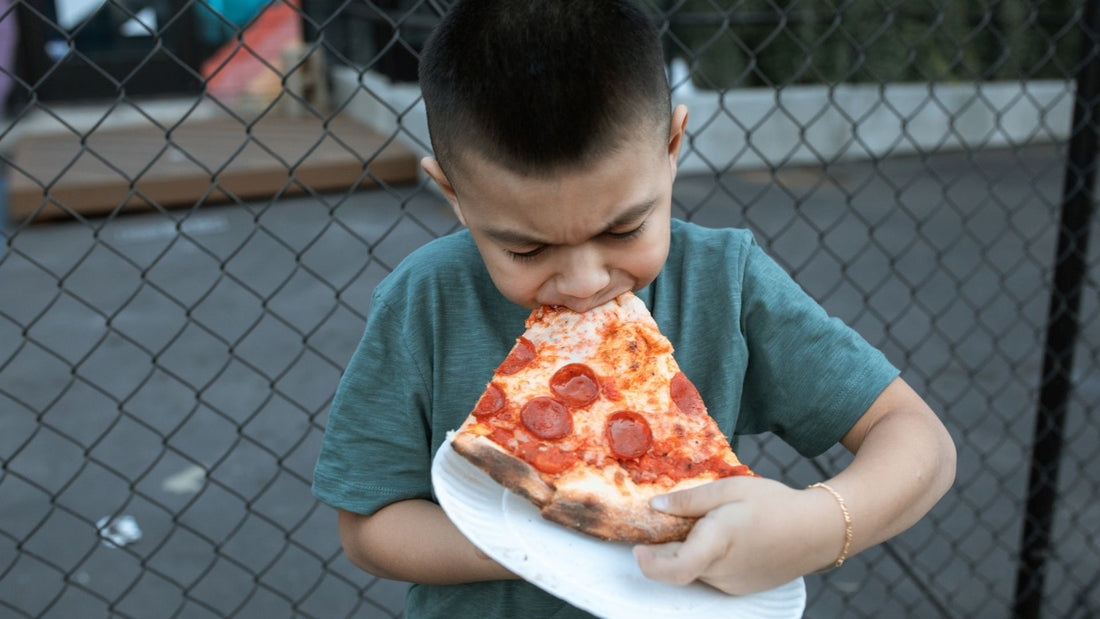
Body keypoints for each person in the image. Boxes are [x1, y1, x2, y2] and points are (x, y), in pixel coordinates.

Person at [311, 0, 957, 616]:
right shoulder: (424, 301)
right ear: (452, 192)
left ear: (673, 147)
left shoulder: (724, 284)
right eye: (527, 247)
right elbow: (369, 524)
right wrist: (555, 539)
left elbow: (917, 437)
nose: (584, 279)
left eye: (624, 230)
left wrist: (818, 523)